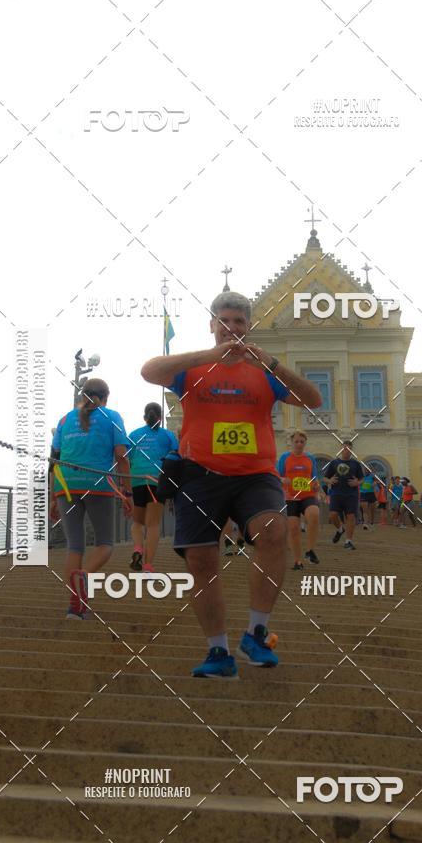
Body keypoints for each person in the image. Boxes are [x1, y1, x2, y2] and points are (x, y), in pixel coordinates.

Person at [141, 290, 322, 678]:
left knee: (273, 530)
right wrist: (209, 356)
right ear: (212, 325)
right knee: (201, 560)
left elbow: (313, 399)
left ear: (249, 327)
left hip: (255, 475)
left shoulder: (264, 371)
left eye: (239, 322)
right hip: (199, 475)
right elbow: (149, 371)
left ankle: (256, 633)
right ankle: (218, 652)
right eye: (224, 321)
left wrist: (271, 362)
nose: (232, 328)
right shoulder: (193, 369)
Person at [49, 379, 132, 619]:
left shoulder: (64, 420)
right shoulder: (112, 417)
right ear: (106, 396)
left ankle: (75, 607)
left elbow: (54, 461)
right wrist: (127, 492)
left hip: (66, 485)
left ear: (82, 395)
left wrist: (53, 497)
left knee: (74, 545)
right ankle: (84, 575)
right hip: (98, 485)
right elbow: (121, 456)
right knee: (105, 543)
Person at [128, 402, 178, 573]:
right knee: (153, 525)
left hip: (137, 480)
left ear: (145, 417)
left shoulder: (134, 435)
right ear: (161, 417)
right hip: (157, 481)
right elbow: (176, 457)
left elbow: (127, 459)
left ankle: (137, 548)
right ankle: (148, 566)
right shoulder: (168, 435)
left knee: (137, 522)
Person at [278, 430, 321, 569]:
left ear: (305, 443)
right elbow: (276, 476)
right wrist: (283, 479)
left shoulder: (310, 458)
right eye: (296, 441)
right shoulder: (284, 457)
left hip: (307, 495)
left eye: (302, 442)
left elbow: (314, 477)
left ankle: (310, 551)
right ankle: (298, 561)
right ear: (291, 442)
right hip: (290, 498)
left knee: (314, 514)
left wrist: (316, 486)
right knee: (294, 529)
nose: (299, 444)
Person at [323, 441, 363, 550]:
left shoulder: (356, 464)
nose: (346, 451)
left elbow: (361, 479)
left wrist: (357, 483)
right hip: (336, 493)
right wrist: (330, 480)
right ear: (341, 449)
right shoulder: (334, 463)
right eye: (345, 448)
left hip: (351, 494)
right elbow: (325, 478)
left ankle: (348, 541)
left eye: (349, 449)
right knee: (332, 515)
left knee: (350, 517)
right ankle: (340, 529)